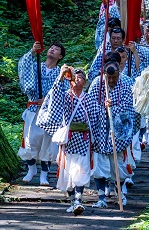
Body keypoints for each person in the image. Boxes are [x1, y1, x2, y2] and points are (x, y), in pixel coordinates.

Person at [36, 66, 94, 214]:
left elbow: (97, 119)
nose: (77, 79)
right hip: (68, 142)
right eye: (75, 76)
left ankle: (79, 201)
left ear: (85, 81)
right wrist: (61, 76)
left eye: (80, 77)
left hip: (83, 139)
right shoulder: (64, 96)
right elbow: (53, 98)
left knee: (81, 171)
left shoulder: (90, 99)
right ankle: (72, 201)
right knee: (67, 173)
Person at [18, 42, 67, 185]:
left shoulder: (60, 73)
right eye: (51, 47)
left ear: (60, 56)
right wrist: (33, 51)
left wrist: (48, 100)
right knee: (30, 140)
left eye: (56, 49)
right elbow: (24, 67)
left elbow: (64, 92)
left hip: (50, 114)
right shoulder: (36, 67)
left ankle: (44, 175)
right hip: (33, 110)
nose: (52, 49)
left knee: (47, 143)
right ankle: (31, 169)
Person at [90, 62, 135, 208]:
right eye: (108, 78)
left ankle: (120, 193)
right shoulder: (97, 83)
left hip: (118, 131)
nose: (111, 81)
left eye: (114, 77)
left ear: (118, 74)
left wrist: (113, 108)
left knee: (118, 165)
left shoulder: (125, 84)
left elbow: (128, 107)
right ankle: (101, 197)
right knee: (99, 166)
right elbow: (90, 105)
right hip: (100, 131)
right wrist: (103, 106)